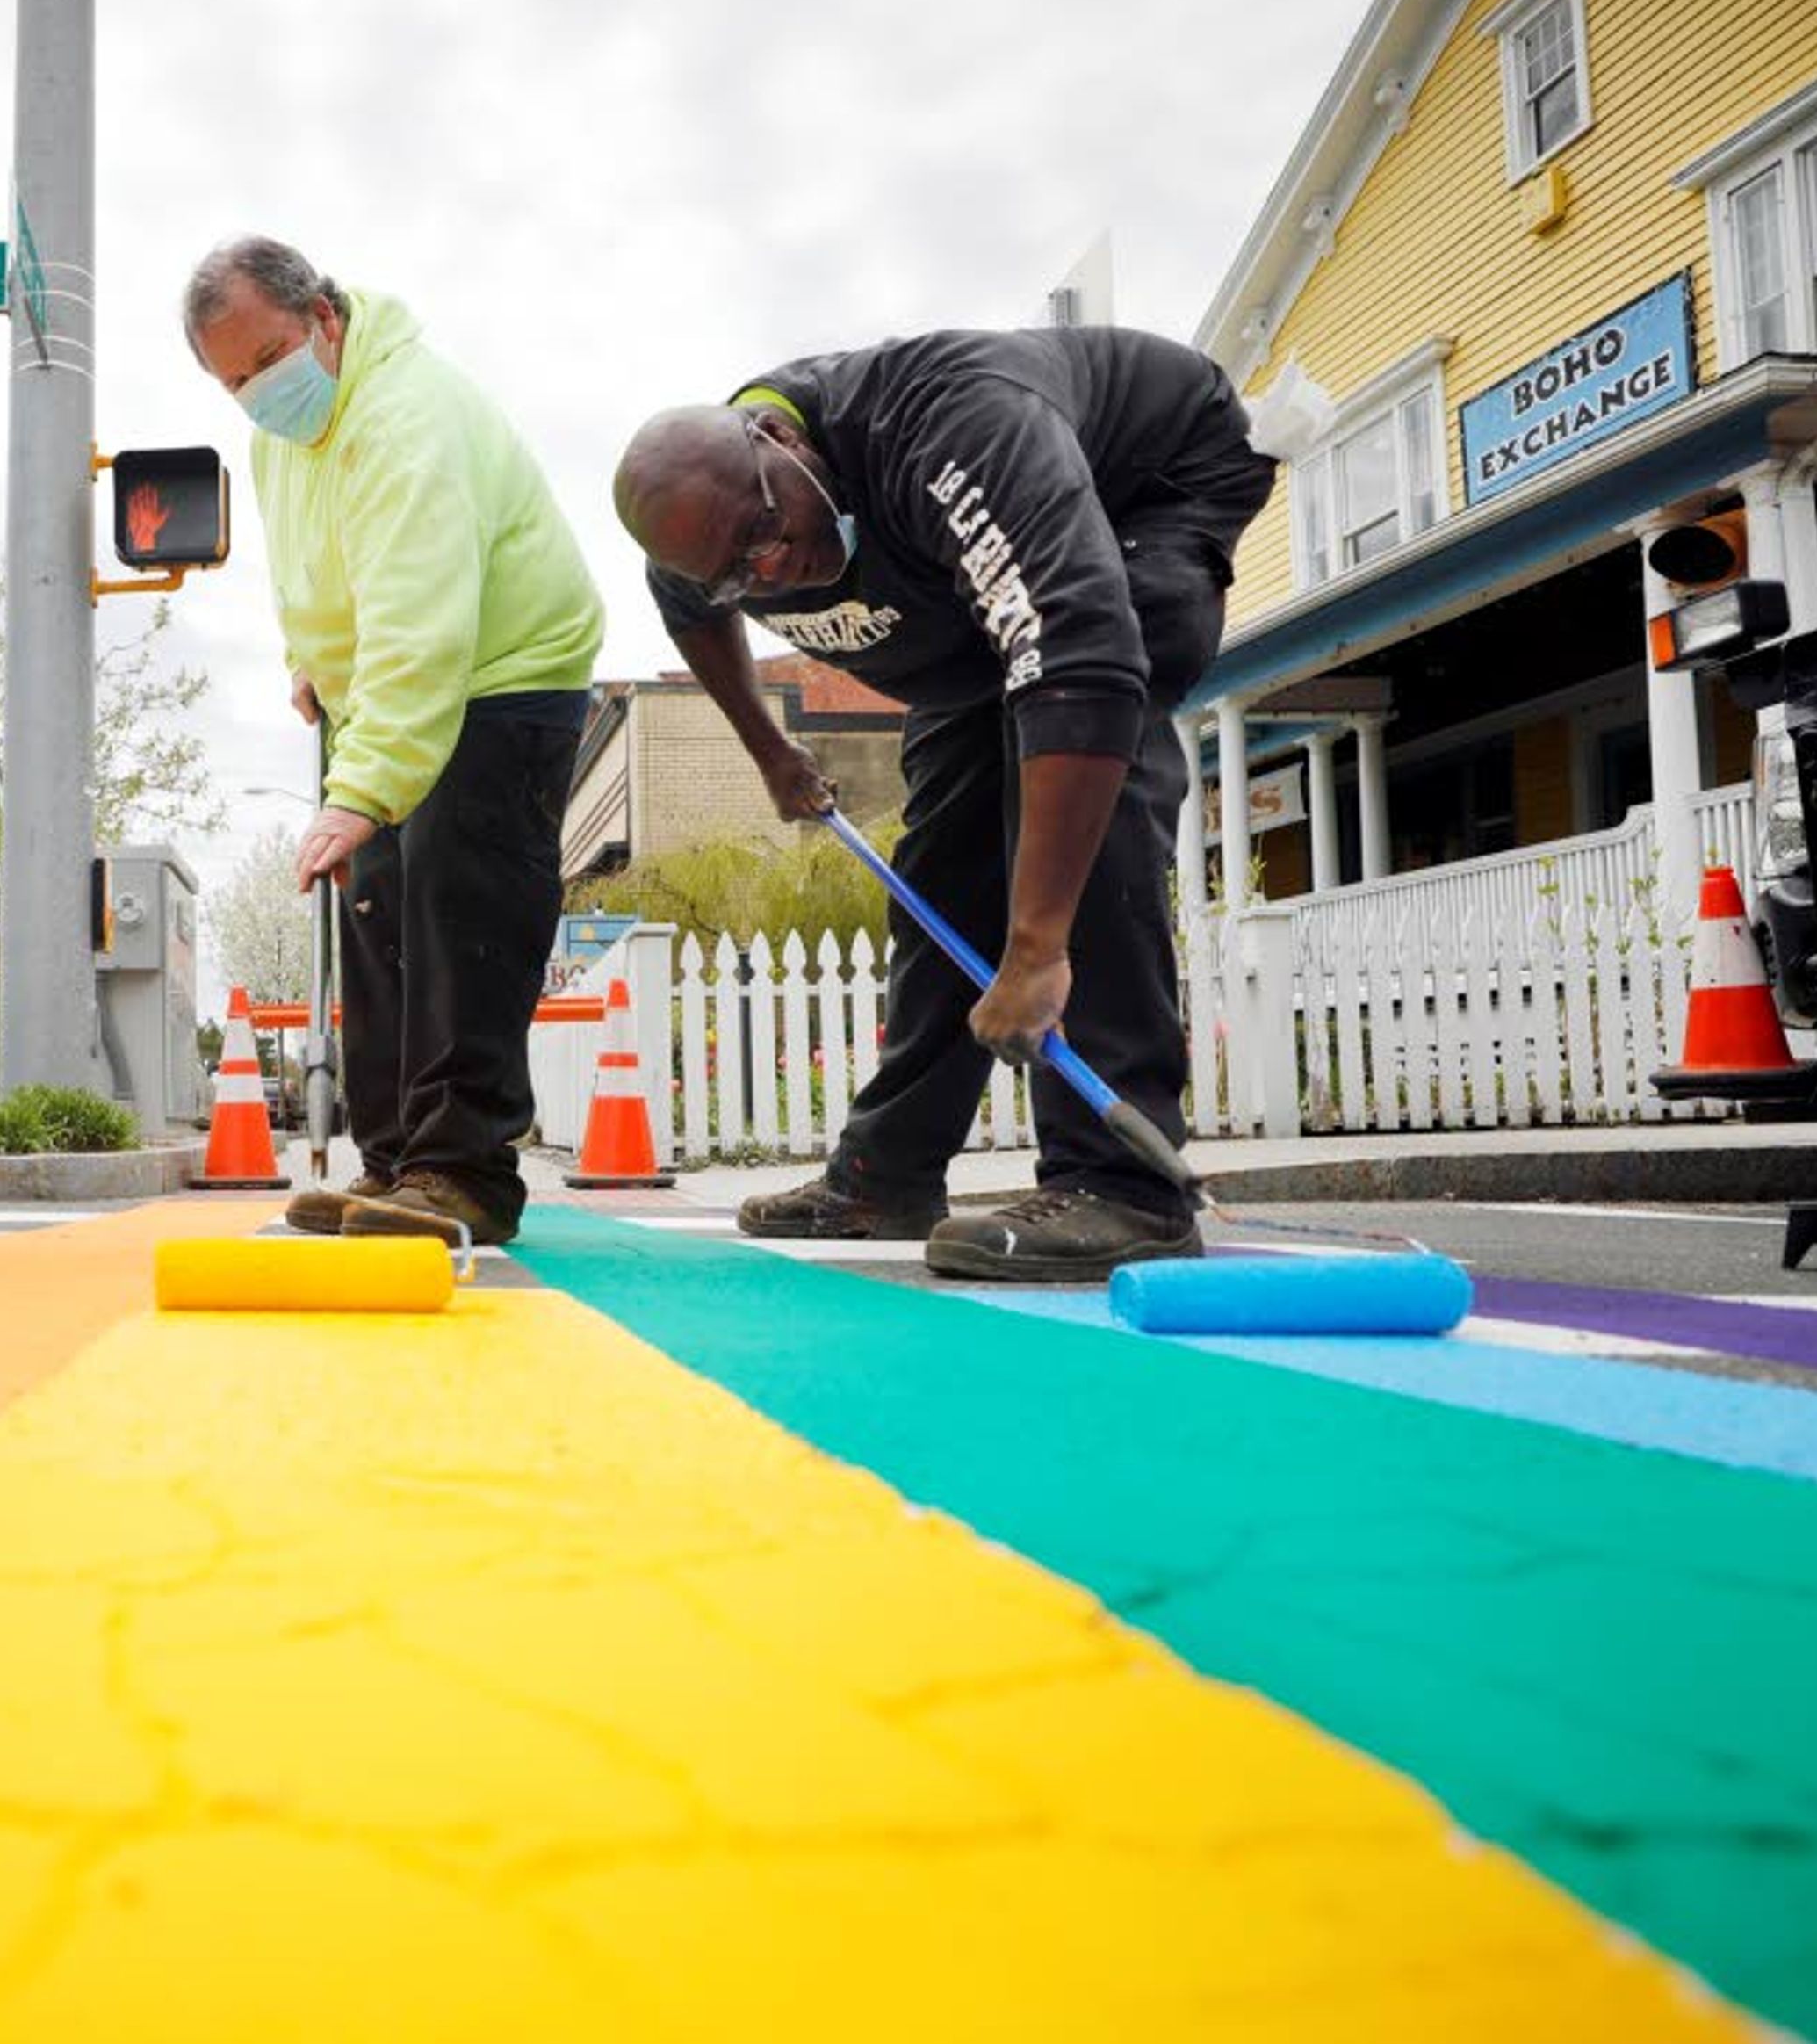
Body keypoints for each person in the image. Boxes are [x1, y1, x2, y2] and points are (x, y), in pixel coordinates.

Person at [611, 325, 1276, 1281]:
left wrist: (1037, 950)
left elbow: (1080, 659)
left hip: (1148, 493)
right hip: (964, 584)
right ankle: (885, 1177)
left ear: (779, 440)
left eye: (767, 535)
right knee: (941, 861)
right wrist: (771, 754)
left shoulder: (953, 422)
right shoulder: (702, 536)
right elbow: (697, 614)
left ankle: (1124, 1185)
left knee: (1083, 773)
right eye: (732, 570)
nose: (765, 570)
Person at [183, 235, 603, 1246]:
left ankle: (462, 1172)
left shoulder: (405, 416)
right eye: (231, 380)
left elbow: (423, 617)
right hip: (382, 690)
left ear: (323, 316)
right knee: (376, 915)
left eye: (266, 362)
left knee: (462, 904)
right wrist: (313, 668)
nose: (255, 394)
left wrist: (359, 787)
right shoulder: (279, 437)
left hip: (505, 669)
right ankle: (394, 1161)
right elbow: (314, 570)